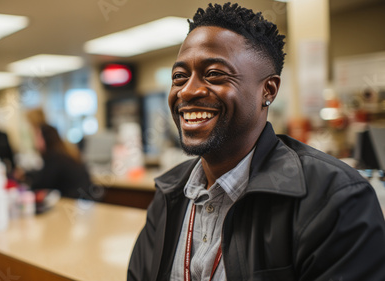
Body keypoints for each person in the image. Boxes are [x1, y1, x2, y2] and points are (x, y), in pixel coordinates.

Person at [128, 3, 385, 281]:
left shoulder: (335, 198)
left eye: (214, 73)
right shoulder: (169, 193)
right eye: (179, 77)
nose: (188, 90)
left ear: (268, 89)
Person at [26, 108, 92, 199]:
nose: (35, 140)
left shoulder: (54, 158)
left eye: (38, 136)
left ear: (45, 140)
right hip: (82, 200)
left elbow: (42, 184)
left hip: (73, 202)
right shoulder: (64, 154)